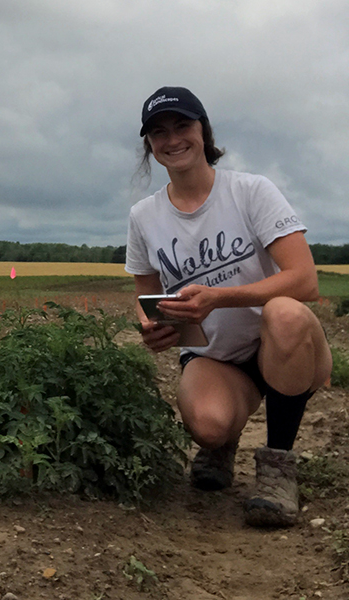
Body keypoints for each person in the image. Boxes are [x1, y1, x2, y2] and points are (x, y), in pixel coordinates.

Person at [125, 86, 332, 527]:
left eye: (183, 125)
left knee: (285, 312)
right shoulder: (144, 216)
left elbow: (305, 280)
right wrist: (152, 327)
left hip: (282, 344)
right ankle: (223, 443)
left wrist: (220, 297)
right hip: (218, 357)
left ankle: (278, 468)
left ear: (204, 131)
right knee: (208, 424)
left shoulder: (250, 191)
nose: (172, 138)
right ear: (149, 145)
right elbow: (148, 296)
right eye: (158, 132)